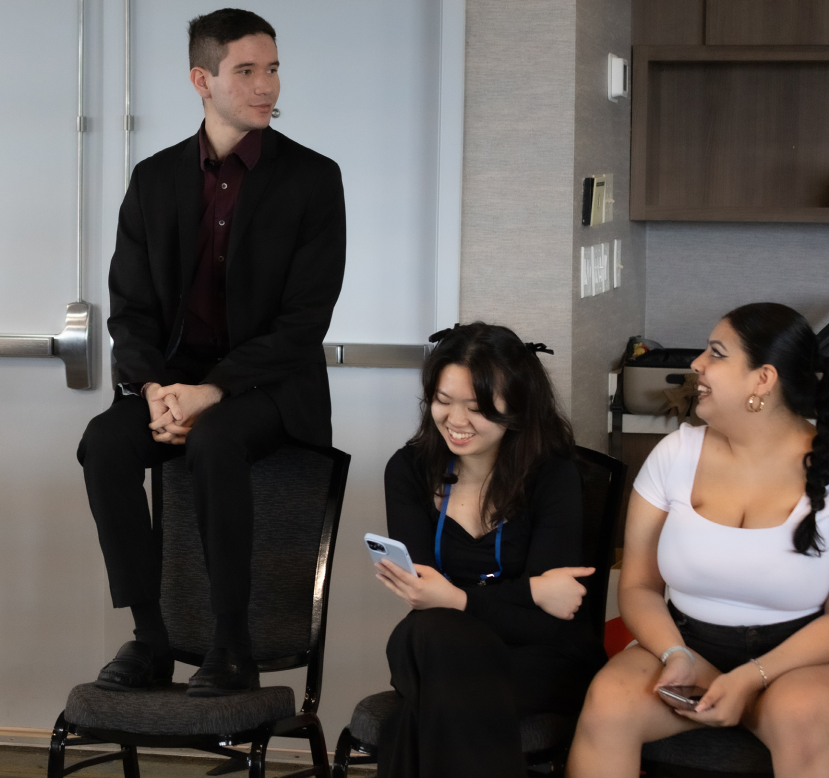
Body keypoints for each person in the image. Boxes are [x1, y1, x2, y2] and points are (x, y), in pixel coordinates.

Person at [78, 7, 345, 697]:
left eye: (274, 68)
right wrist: (156, 390)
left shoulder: (313, 180)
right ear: (203, 79)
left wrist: (213, 389)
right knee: (105, 444)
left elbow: (303, 321)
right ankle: (151, 638)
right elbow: (130, 309)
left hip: (270, 391)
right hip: (174, 384)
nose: (267, 86)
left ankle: (230, 646)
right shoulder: (155, 179)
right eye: (247, 71)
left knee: (215, 441)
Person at [568, 303, 829, 778]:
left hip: (798, 660)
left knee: (802, 715)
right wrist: (677, 655)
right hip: (685, 643)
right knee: (609, 703)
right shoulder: (675, 454)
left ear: (762, 379)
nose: (696, 365)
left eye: (716, 353)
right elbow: (640, 586)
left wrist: (751, 679)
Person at [373, 323, 605, 777]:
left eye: (476, 408)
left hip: (536, 656)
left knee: (425, 703)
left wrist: (457, 598)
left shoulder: (553, 476)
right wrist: (531, 591)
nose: (456, 421)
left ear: (517, 406)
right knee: (428, 634)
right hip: (438, 644)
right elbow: (424, 599)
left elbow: (550, 618)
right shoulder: (408, 470)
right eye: (442, 401)